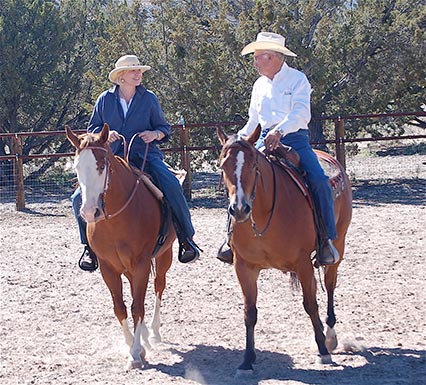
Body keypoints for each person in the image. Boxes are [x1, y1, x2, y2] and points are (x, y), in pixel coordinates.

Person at [217, 32, 339, 266]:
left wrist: (279, 131)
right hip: (263, 139)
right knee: (239, 175)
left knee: (319, 180)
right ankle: (230, 239)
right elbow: (253, 121)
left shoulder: (297, 79)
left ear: (272, 57)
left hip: (294, 139)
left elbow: (301, 113)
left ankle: (325, 240)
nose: (254, 62)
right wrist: (235, 141)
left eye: (258, 57)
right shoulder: (259, 85)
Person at [72, 54, 200, 272]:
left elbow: (164, 128)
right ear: (121, 76)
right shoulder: (104, 99)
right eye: (134, 71)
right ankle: (88, 248)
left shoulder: (149, 98)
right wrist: (106, 134)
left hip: (145, 156)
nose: (138, 74)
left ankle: (186, 238)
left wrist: (154, 134)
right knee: (76, 198)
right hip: (111, 158)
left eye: (139, 71)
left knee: (171, 184)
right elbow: (92, 129)